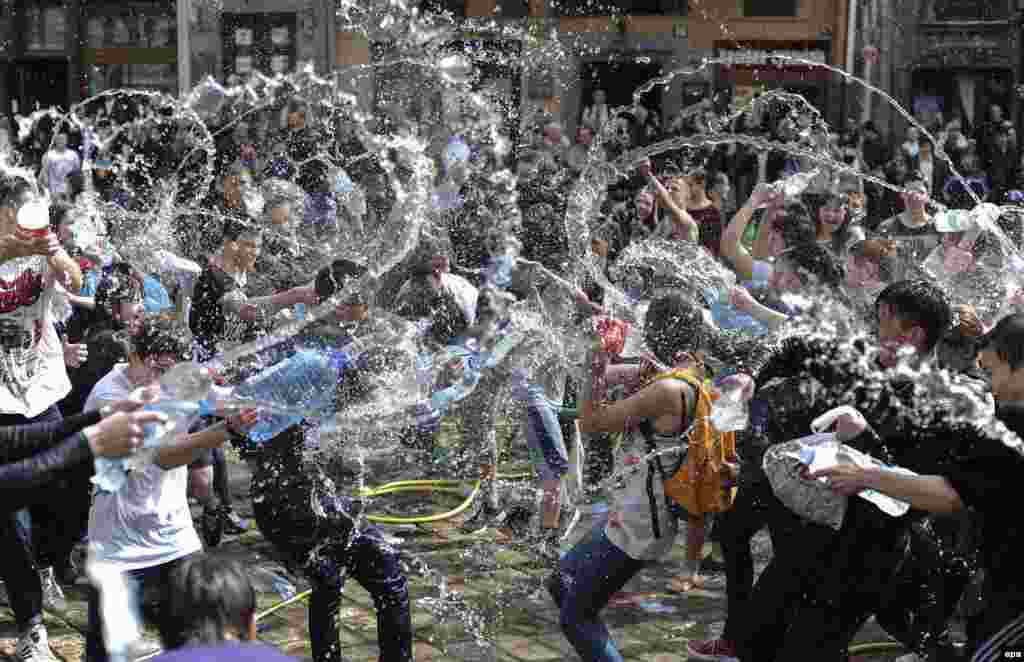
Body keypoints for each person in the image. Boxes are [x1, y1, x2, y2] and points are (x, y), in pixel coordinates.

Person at [547, 293, 746, 662]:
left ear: (657, 331)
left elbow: (591, 423)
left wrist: (594, 365)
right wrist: (603, 359)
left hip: (640, 524)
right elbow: (613, 378)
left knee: (576, 618)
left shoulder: (668, 389)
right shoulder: (692, 372)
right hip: (630, 511)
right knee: (560, 581)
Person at [237, 259, 413, 662]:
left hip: (300, 491)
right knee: (387, 575)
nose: (365, 310)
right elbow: (244, 402)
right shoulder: (315, 354)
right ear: (337, 303)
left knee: (330, 578)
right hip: (295, 495)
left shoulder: (325, 343)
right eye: (357, 302)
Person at [83, 314, 253, 662]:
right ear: (134, 355)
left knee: (197, 645)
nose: (163, 383)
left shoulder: (178, 380)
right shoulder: (108, 397)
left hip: (176, 539)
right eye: (157, 370)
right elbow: (161, 457)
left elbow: (226, 398)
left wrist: (264, 398)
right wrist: (227, 430)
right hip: (119, 550)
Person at [39, 134, 81, 200]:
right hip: (55, 190)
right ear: (55, 141)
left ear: (66, 141)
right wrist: (45, 182)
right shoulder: (49, 155)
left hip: (69, 191)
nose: (60, 141)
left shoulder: (73, 154)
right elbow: (44, 172)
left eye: (63, 139)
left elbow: (77, 172)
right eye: (58, 139)